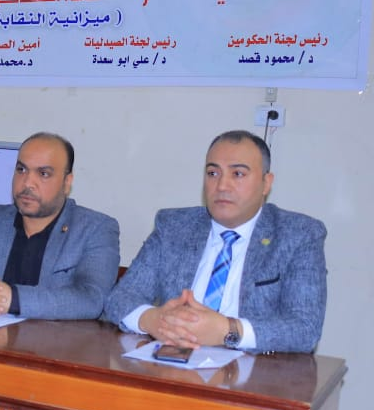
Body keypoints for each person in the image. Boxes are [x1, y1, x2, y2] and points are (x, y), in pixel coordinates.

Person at [103, 130, 327, 353]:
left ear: (266, 183)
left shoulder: (298, 235)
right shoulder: (174, 226)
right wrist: (154, 320)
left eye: (238, 174)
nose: (222, 186)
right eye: (213, 173)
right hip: (172, 362)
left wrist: (227, 330)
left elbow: (305, 329)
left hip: (254, 370)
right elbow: (120, 298)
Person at [0, 132, 119, 319]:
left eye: (43, 174)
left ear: (66, 182)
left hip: (53, 339)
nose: (28, 183)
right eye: (21, 170)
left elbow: (92, 299)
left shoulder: (95, 229)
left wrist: (12, 299)